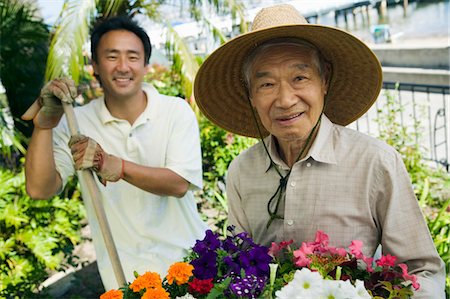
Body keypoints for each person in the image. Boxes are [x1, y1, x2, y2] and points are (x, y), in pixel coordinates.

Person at [193, 4, 445, 298]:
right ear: (250, 95)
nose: (286, 100)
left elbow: (422, 271)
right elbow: (238, 266)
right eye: (266, 84)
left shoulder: (375, 162)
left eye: (300, 78)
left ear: (324, 80)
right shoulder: (241, 170)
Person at [22, 16, 208, 290]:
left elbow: (179, 183)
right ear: (95, 65)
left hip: (192, 266)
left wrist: (114, 165)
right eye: (111, 56)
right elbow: (39, 189)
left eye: (133, 57)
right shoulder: (77, 122)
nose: (123, 67)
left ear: (145, 64)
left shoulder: (174, 111)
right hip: (127, 279)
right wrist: (45, 126)